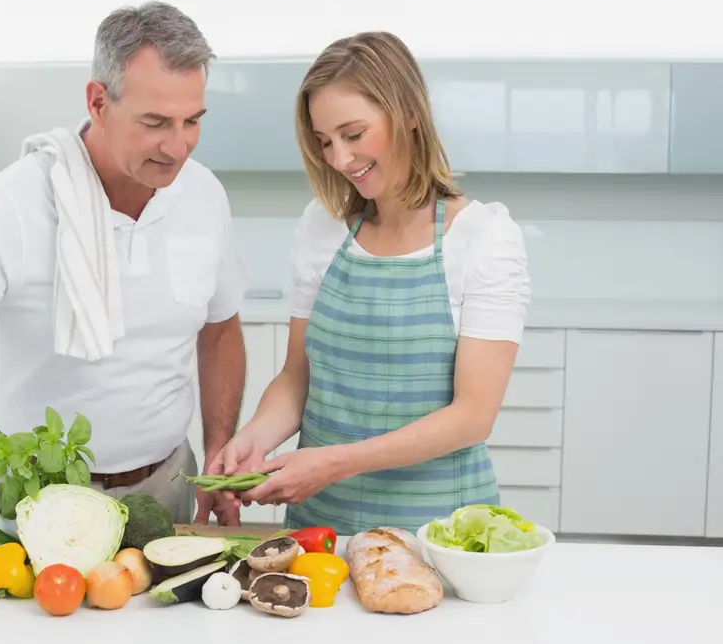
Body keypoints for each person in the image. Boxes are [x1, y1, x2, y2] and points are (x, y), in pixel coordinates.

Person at [0, 1, 249, 615]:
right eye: (156, 122)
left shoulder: (203, 196)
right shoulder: (13, 204)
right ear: (98, 101)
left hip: (169, 494)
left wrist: (220, 463)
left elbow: (221, 331)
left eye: (192, 121)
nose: (178, 147)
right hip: (35, 503)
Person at [209, 31, 531, 536]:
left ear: (408, 112)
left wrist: (333, 462)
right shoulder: (322, 228)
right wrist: (254, 438)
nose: (339, 159)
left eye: (353, 134)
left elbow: (473, 415)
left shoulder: (484, 239)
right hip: (321, 531)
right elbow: (297, 379)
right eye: (324, 142)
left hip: (440, 534)